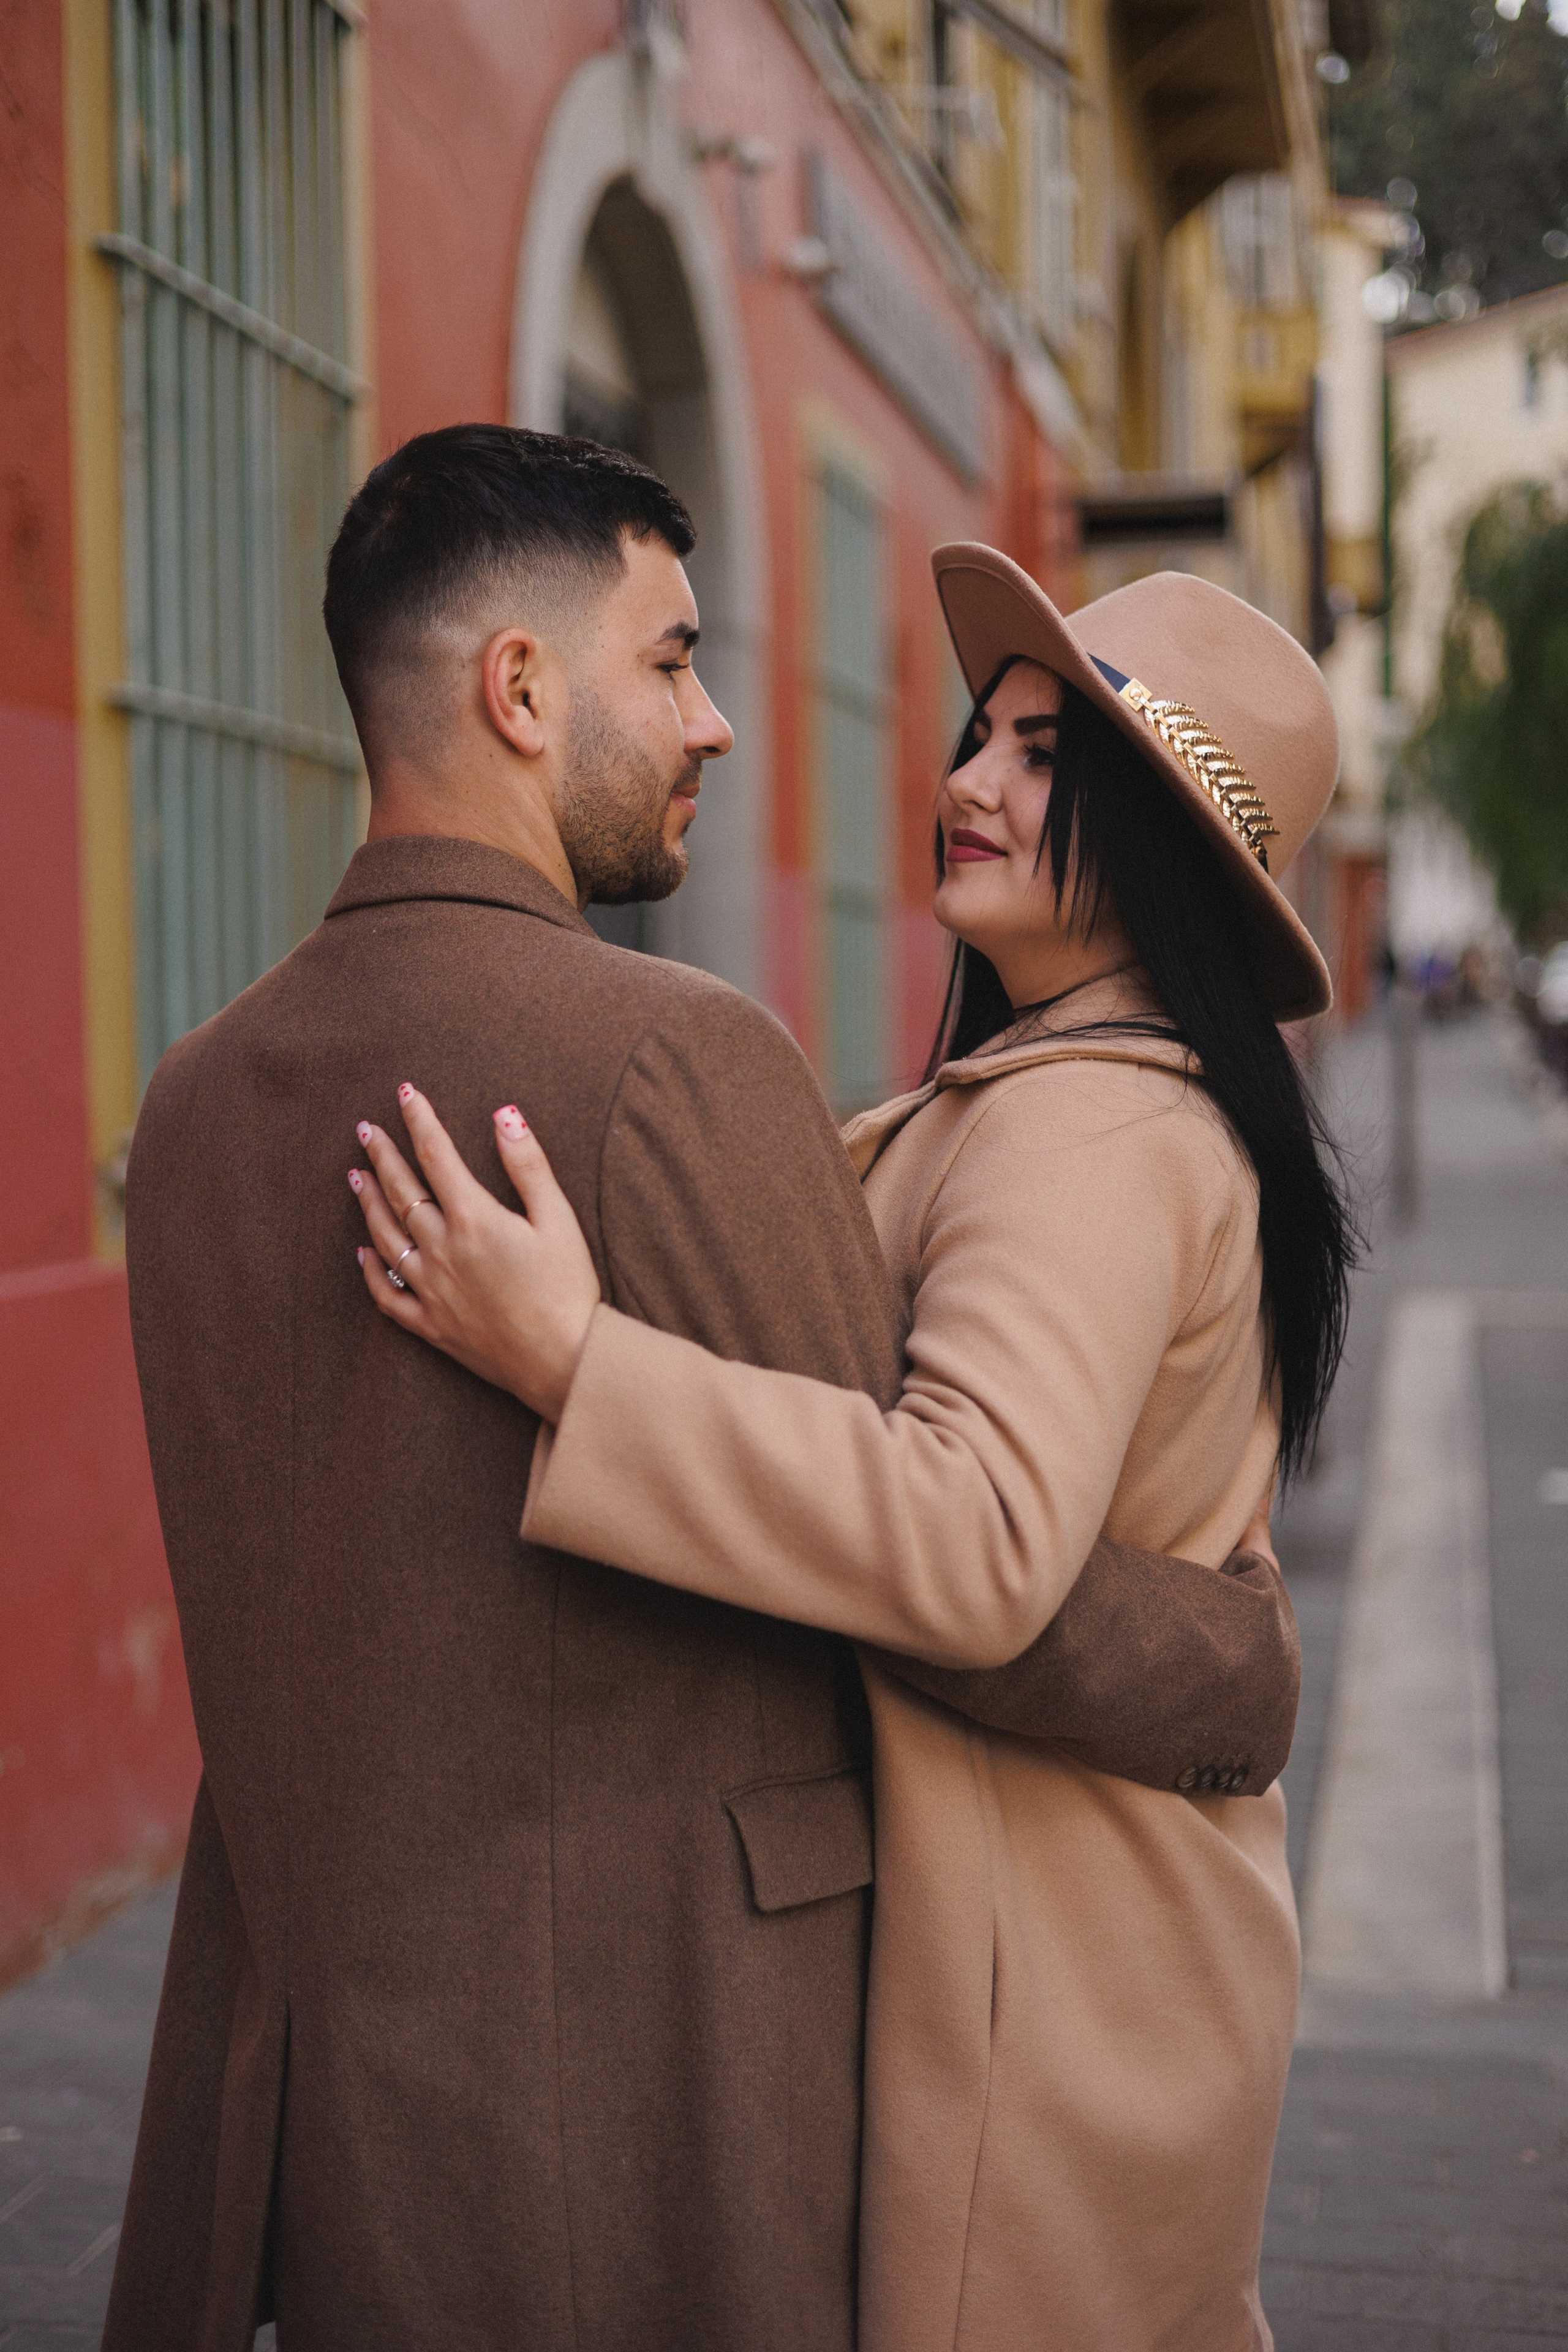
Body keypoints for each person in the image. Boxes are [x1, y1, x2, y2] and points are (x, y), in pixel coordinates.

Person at [111, 430, 1298, 2352]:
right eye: (673, 660)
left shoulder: (187, 1105)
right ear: (519, 691)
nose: (720, 720)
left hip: (321, 2112)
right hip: (652, 2099)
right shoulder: (682, 1067)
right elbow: (927, 1566)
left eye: (1040, 755)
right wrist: (1233, 1661)